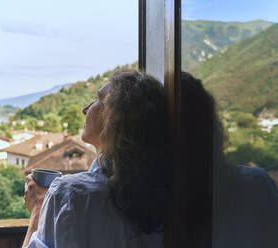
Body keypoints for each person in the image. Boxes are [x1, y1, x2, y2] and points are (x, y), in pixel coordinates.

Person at [23, 70, 278, 248]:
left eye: (99, 99)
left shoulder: (75, 194)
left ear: (119, 121)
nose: (85, 108)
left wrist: (37, 210)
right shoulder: (256, 184)